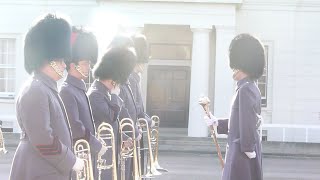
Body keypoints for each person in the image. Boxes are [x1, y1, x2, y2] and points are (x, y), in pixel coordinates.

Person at [9, 13, 84, 180]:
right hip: (40, 170)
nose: (65, 65)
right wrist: (70, 161)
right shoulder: (36, 90)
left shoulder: (45, 88)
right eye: (61, 61)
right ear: (50, 61)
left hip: (47, 168)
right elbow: (43, 139)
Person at [204, 34, 265, 180]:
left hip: (241, 156)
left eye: (236, 65)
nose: (233, 69)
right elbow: (239, 121)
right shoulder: (247, 87)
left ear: (243, 65)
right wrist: (217, 122)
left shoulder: (246, 89)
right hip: (240, 151)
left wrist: (248, 148)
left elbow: (248, 123)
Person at [59, 27, 107, 179]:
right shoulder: (67, 90)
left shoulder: (79, 89)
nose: (89, 67)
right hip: (77, 155)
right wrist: (96, 143)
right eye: (85, 63)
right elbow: (75, 126)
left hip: (86, 153)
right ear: (73, 65)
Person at [87, 47, 136, 179]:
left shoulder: (105, 92)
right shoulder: (95, 94)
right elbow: (110, 118)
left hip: (111, 151)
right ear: (113, 77)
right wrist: (114, 96)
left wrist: (123, 137)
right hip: (102, 154)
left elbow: (114, 125)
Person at [129, 34, 154, 175]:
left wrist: (146, 118)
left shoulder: (134, 78)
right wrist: (146, 119)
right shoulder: (131, 79)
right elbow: (135, 107)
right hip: (133, 132)